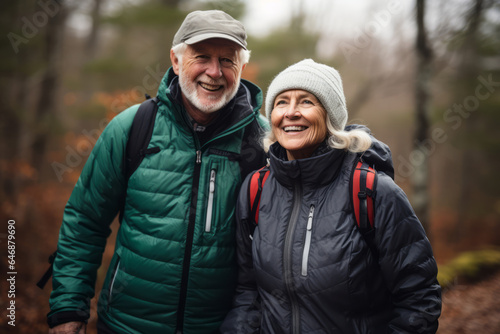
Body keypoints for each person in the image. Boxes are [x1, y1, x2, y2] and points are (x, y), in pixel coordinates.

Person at [47, 10, 268, 334]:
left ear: (242, 68)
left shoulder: (261, 143)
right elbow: (85, 221)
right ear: (176, 61)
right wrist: (68, 307)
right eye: (202, 56)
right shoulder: (133, 128)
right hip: (125, 325)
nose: (214, 71)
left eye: (227, 60)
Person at [221, 59, 442, 333]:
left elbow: (419, 299)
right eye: (281, 102)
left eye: (306, 102)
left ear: (331, 116)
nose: (291, 113)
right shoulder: (256, 188)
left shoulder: (373, 192)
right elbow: (247, 291)